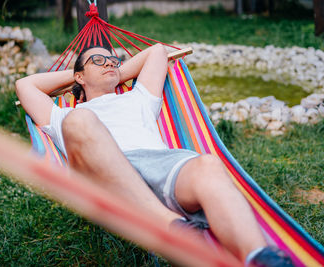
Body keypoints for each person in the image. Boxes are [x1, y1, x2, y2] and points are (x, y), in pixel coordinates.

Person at [15, 44, 294, 266]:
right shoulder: (65, 115)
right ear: (79, 76)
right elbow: (25, 86)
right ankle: (171, 227)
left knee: (208, 164)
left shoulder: (138, 98)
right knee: (81, 121)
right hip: (104, 174)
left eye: (114, 59)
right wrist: (81, 74)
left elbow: (157, 51)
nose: (110, 62)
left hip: (159, 164)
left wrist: (110, 72)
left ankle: (260, 255)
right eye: (99, 60)